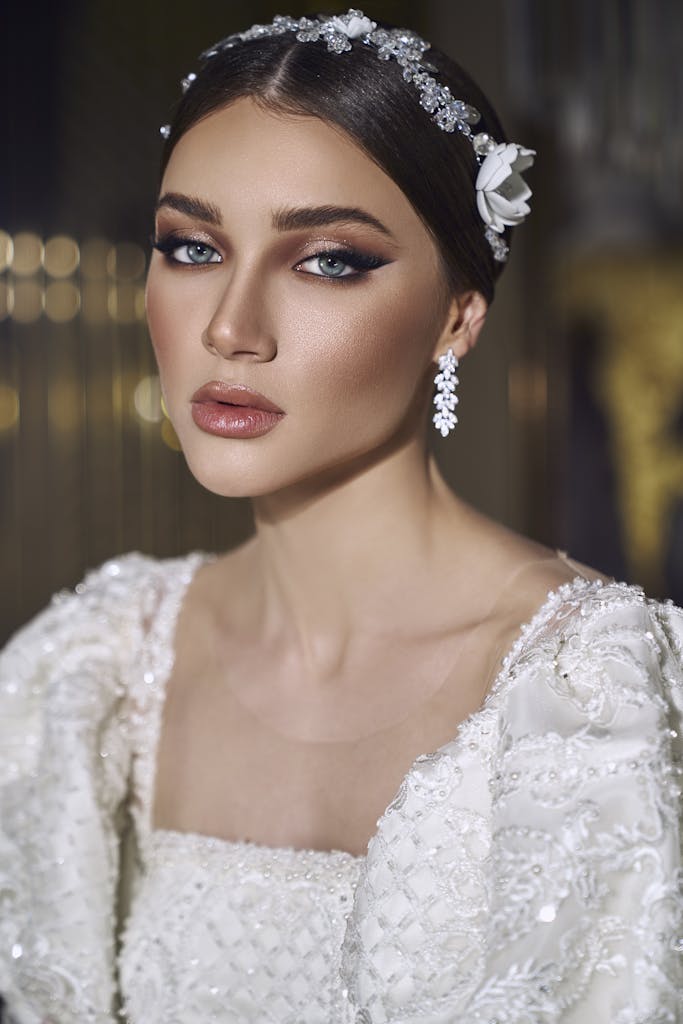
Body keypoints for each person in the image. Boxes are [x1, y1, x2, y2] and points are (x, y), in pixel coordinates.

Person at [1, 9, 681, 1023]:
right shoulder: (85, 672)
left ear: (458, 313)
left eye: (326, 260)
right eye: (189, 248)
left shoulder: (600, 695)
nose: (230, 327)